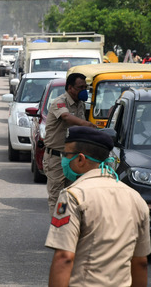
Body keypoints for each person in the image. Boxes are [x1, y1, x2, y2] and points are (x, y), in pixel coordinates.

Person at [46, 126, 151, 287]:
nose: (63, 160)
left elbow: (64, 258)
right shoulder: (136, 199)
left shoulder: (73, 196)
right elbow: (141, 262)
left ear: (80, 159)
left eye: (66, 155)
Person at [42, 73, 96, 215]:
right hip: (56, 158)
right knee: (56, 197)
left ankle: (69, 227)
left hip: (73, 158)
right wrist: (86, 124)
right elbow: (66, 116)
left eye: (86, 87)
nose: (84, 90)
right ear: (70, 88)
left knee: (72, 196)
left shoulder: (81, 104)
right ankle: (58, 230)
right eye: (80, 87)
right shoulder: (59, 102)